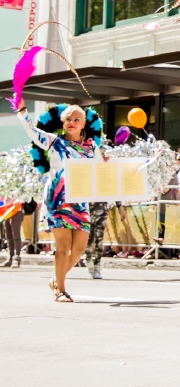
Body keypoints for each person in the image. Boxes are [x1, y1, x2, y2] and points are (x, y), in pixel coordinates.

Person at [18, 104, 107, 302]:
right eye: (68, 119)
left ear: (83, 123)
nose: (72, 123)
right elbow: (32, 131)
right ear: (63, 123)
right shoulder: (54, 141)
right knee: (64, 245)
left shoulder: (92, 147)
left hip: (80, 200)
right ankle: (61, 290)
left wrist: (106, 164)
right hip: (58, 199)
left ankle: (56, 280)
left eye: (76, 119)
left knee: (80, 247)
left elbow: (99, 171)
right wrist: (23, 112)